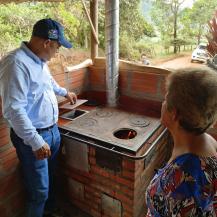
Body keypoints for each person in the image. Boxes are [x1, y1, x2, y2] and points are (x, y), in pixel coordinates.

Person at [0, 18, 77, 217]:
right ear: (46, 43)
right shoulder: (15, 64)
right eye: (57, 47)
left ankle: (49, 211)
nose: (57, 52)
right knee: (39, 191)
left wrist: (64, 92)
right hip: (34, 138)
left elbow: (47, 82)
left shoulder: (39, 60)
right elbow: (13, 110)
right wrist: (35, 142)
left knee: (49, 178)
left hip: (52, 132)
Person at [146, 67, 217, 216]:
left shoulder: (179, 182)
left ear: (174, 113)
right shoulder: (209, 142)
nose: (162, 102)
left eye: (166, 99)